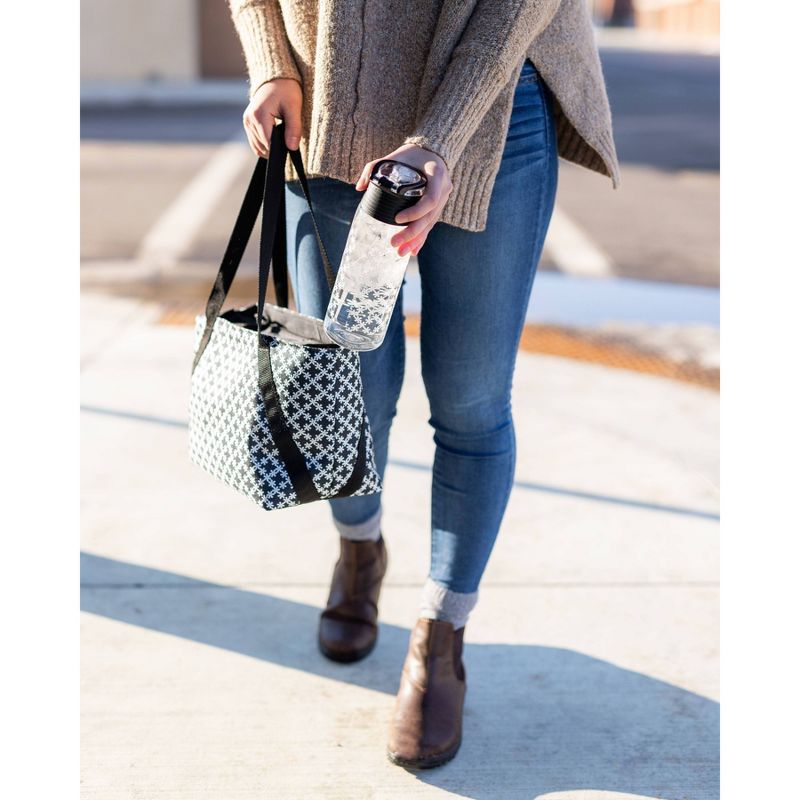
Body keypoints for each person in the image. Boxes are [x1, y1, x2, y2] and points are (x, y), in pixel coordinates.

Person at [228, 0, 619, 769]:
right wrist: (271, 58)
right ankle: (360, 547)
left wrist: (440, 137)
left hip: (493, 113)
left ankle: (441, 638)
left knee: (471, 400)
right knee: (344, 396)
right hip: (329, 100)